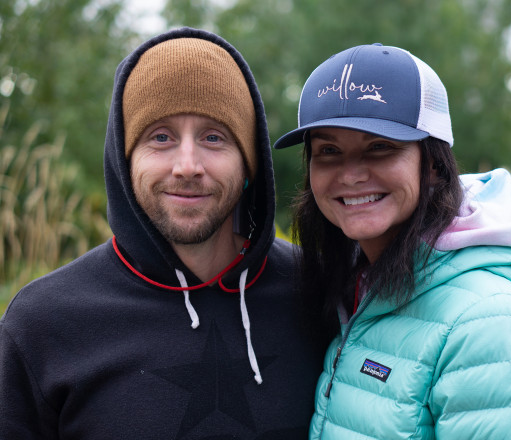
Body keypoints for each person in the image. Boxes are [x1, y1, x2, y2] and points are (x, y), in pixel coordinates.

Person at [0, 27, 326, 439]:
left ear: (249, 166)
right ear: (125, 159)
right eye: (160, 137)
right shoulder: (42, 324)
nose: (187, 165)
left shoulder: (320, 290)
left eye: (214, 137)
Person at [273, 43, 511, 439]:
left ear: (434, 165)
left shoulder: (488, 327)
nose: (351, 175)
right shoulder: (357, 288)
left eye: (379, 146)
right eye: (328, 151)